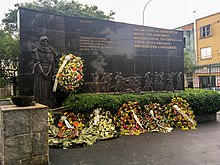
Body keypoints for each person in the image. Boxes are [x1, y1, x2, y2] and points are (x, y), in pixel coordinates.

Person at [32, 36, 58, 108]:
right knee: (41, 88)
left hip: (49, 72)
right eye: (43, 41)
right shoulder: (36, 50)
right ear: (40, 42)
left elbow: (51, 62)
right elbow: (37, 62)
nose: (45, 42)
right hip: (40, 72)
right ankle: (40, 102)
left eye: (46, 41)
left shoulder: (50, 51)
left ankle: (49, 104)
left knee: (48, 88)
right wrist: (43, 73)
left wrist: (48, 72)